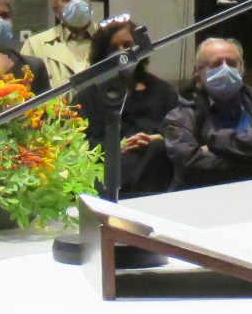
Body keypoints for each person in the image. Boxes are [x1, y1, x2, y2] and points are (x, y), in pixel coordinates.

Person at [162, 37, 252, 188]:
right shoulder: (179, 117)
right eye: (216, 64)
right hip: (204, 200)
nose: (225, 69)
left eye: (232, 64)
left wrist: (215, 141)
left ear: (242, 70)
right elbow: (191, 167)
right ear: (197, 74)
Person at [75, 18, 176, 196]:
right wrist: (115, 149)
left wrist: (158, 139)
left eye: (128, 45)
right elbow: (78, 144)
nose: (122, 53)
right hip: (106, 172)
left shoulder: (163, 91)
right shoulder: (86, 97)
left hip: (153, 171)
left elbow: (179, 131)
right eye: (114, 48)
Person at [23, 0, 99, 89]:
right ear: (57, 11)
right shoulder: (35, 45)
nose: (76, 1)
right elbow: (24, 90)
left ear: (90, 1)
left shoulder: (108, 37)